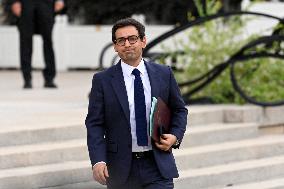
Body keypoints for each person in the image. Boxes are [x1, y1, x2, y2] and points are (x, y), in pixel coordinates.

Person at [85, 18, 188, 189]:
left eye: (132, 38)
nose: (127, 44)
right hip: (121, 169)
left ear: (143, 41)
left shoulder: (164, 74)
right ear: (115, 46)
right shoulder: (102, 80)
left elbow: (179, 110)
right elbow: (94, 123)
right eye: (121, 40)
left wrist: (175, 136)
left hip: (157, 165)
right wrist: (98, 160)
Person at [10, 0, 65, 89]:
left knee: (48, 41)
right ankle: (27, 78)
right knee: (25, 42)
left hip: (46, 4)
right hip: (25, 4)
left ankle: (49, 78)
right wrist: (14, 1)